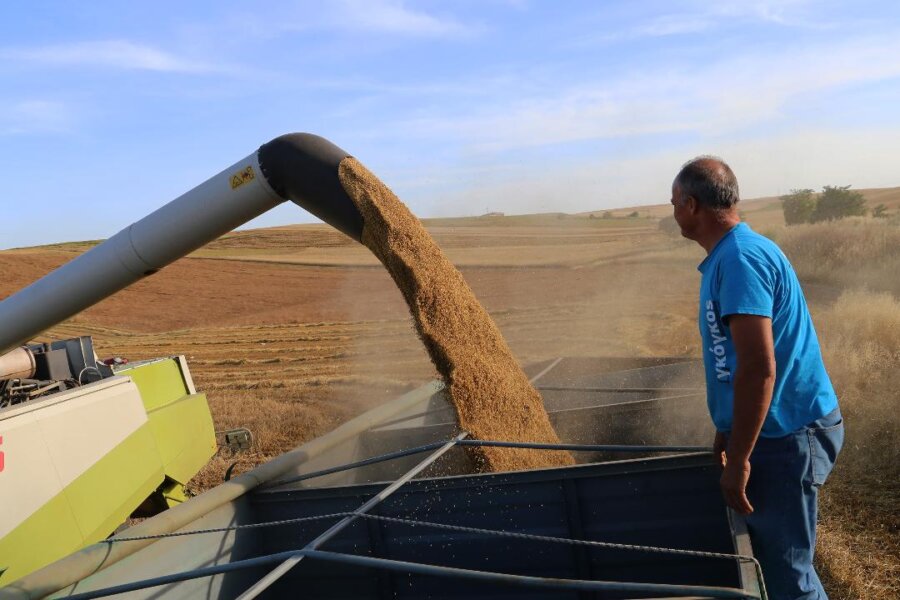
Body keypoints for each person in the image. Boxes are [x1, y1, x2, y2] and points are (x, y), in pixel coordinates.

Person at [670, 156, 843, 599]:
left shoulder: (742, 260)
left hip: (788, 434)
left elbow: (759, 367)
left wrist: (741, 457)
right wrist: (728, 427)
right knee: (783, 561)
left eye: (674, 203)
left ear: (691, 205)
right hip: (775, 430)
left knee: (789, 578)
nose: (672, 212)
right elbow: (734, 362)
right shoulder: (731, 255)